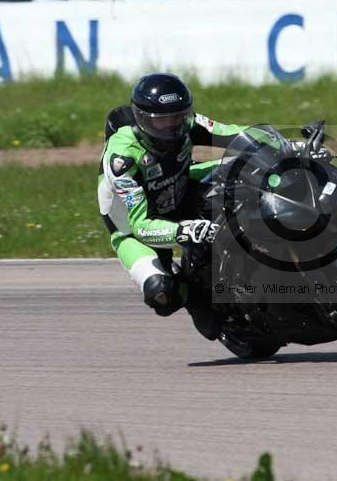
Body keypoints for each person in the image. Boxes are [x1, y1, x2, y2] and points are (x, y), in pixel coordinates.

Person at [97, 73, 250, 340]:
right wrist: (185, 231)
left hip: (179, 188)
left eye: (178, 117)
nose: (172, 127)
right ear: (141, 120)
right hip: (136, 230)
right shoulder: (122, 160)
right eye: (162, 121)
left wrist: (283, 144)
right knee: (161, 292)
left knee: (246, 169)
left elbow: (234, 133)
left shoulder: (187, 122)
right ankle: (192, 295)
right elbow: (141, 226)